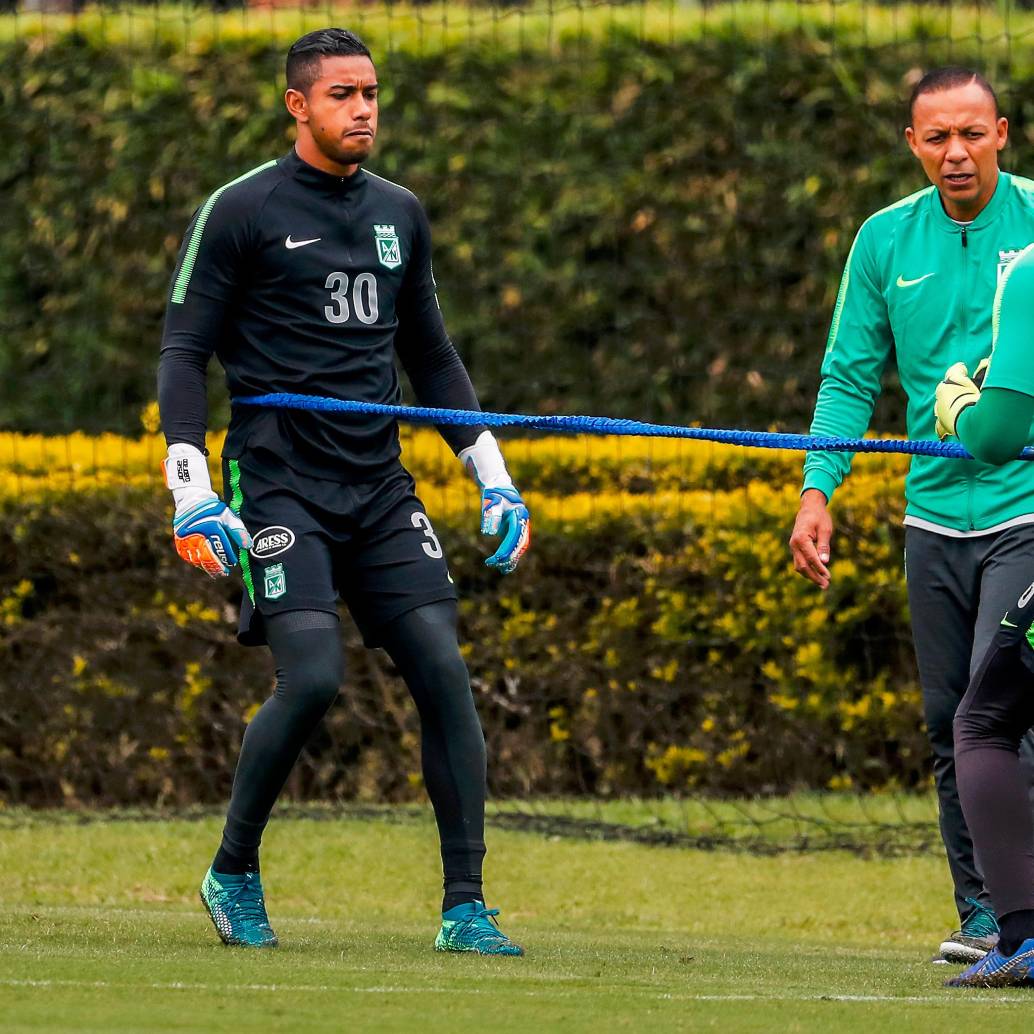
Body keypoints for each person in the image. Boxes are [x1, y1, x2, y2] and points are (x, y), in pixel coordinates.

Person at [157, 27, 530, 957]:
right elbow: (183, 353)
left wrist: (493, 478)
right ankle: (232, 870)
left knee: (443, 670)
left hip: (379, 485)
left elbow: (431, 356)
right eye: (342, 95)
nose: (363, 109)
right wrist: (190, 489)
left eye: (370, 93)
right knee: (315, 678)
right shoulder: (240, 210)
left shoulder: (402, 212)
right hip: (279, 482)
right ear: (298, 106)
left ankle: (465, 909)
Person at [788, 67, 1034, 963]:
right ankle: (984, 917)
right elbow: (849, 376)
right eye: (937, 137)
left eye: (971, 133)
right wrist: (818, 490)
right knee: (947, 720)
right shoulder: (884, 239)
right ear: (913, 145)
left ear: (1001, 133)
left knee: (999, 708)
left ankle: (1026, 915)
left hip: (1026, 511)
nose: (955, 152)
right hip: (931, 520)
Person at [933, 246, 1034, 987]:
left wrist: (959, 404)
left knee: (985, 721)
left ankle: (1024, 934)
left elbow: (997, 436)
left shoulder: (1028, 272)